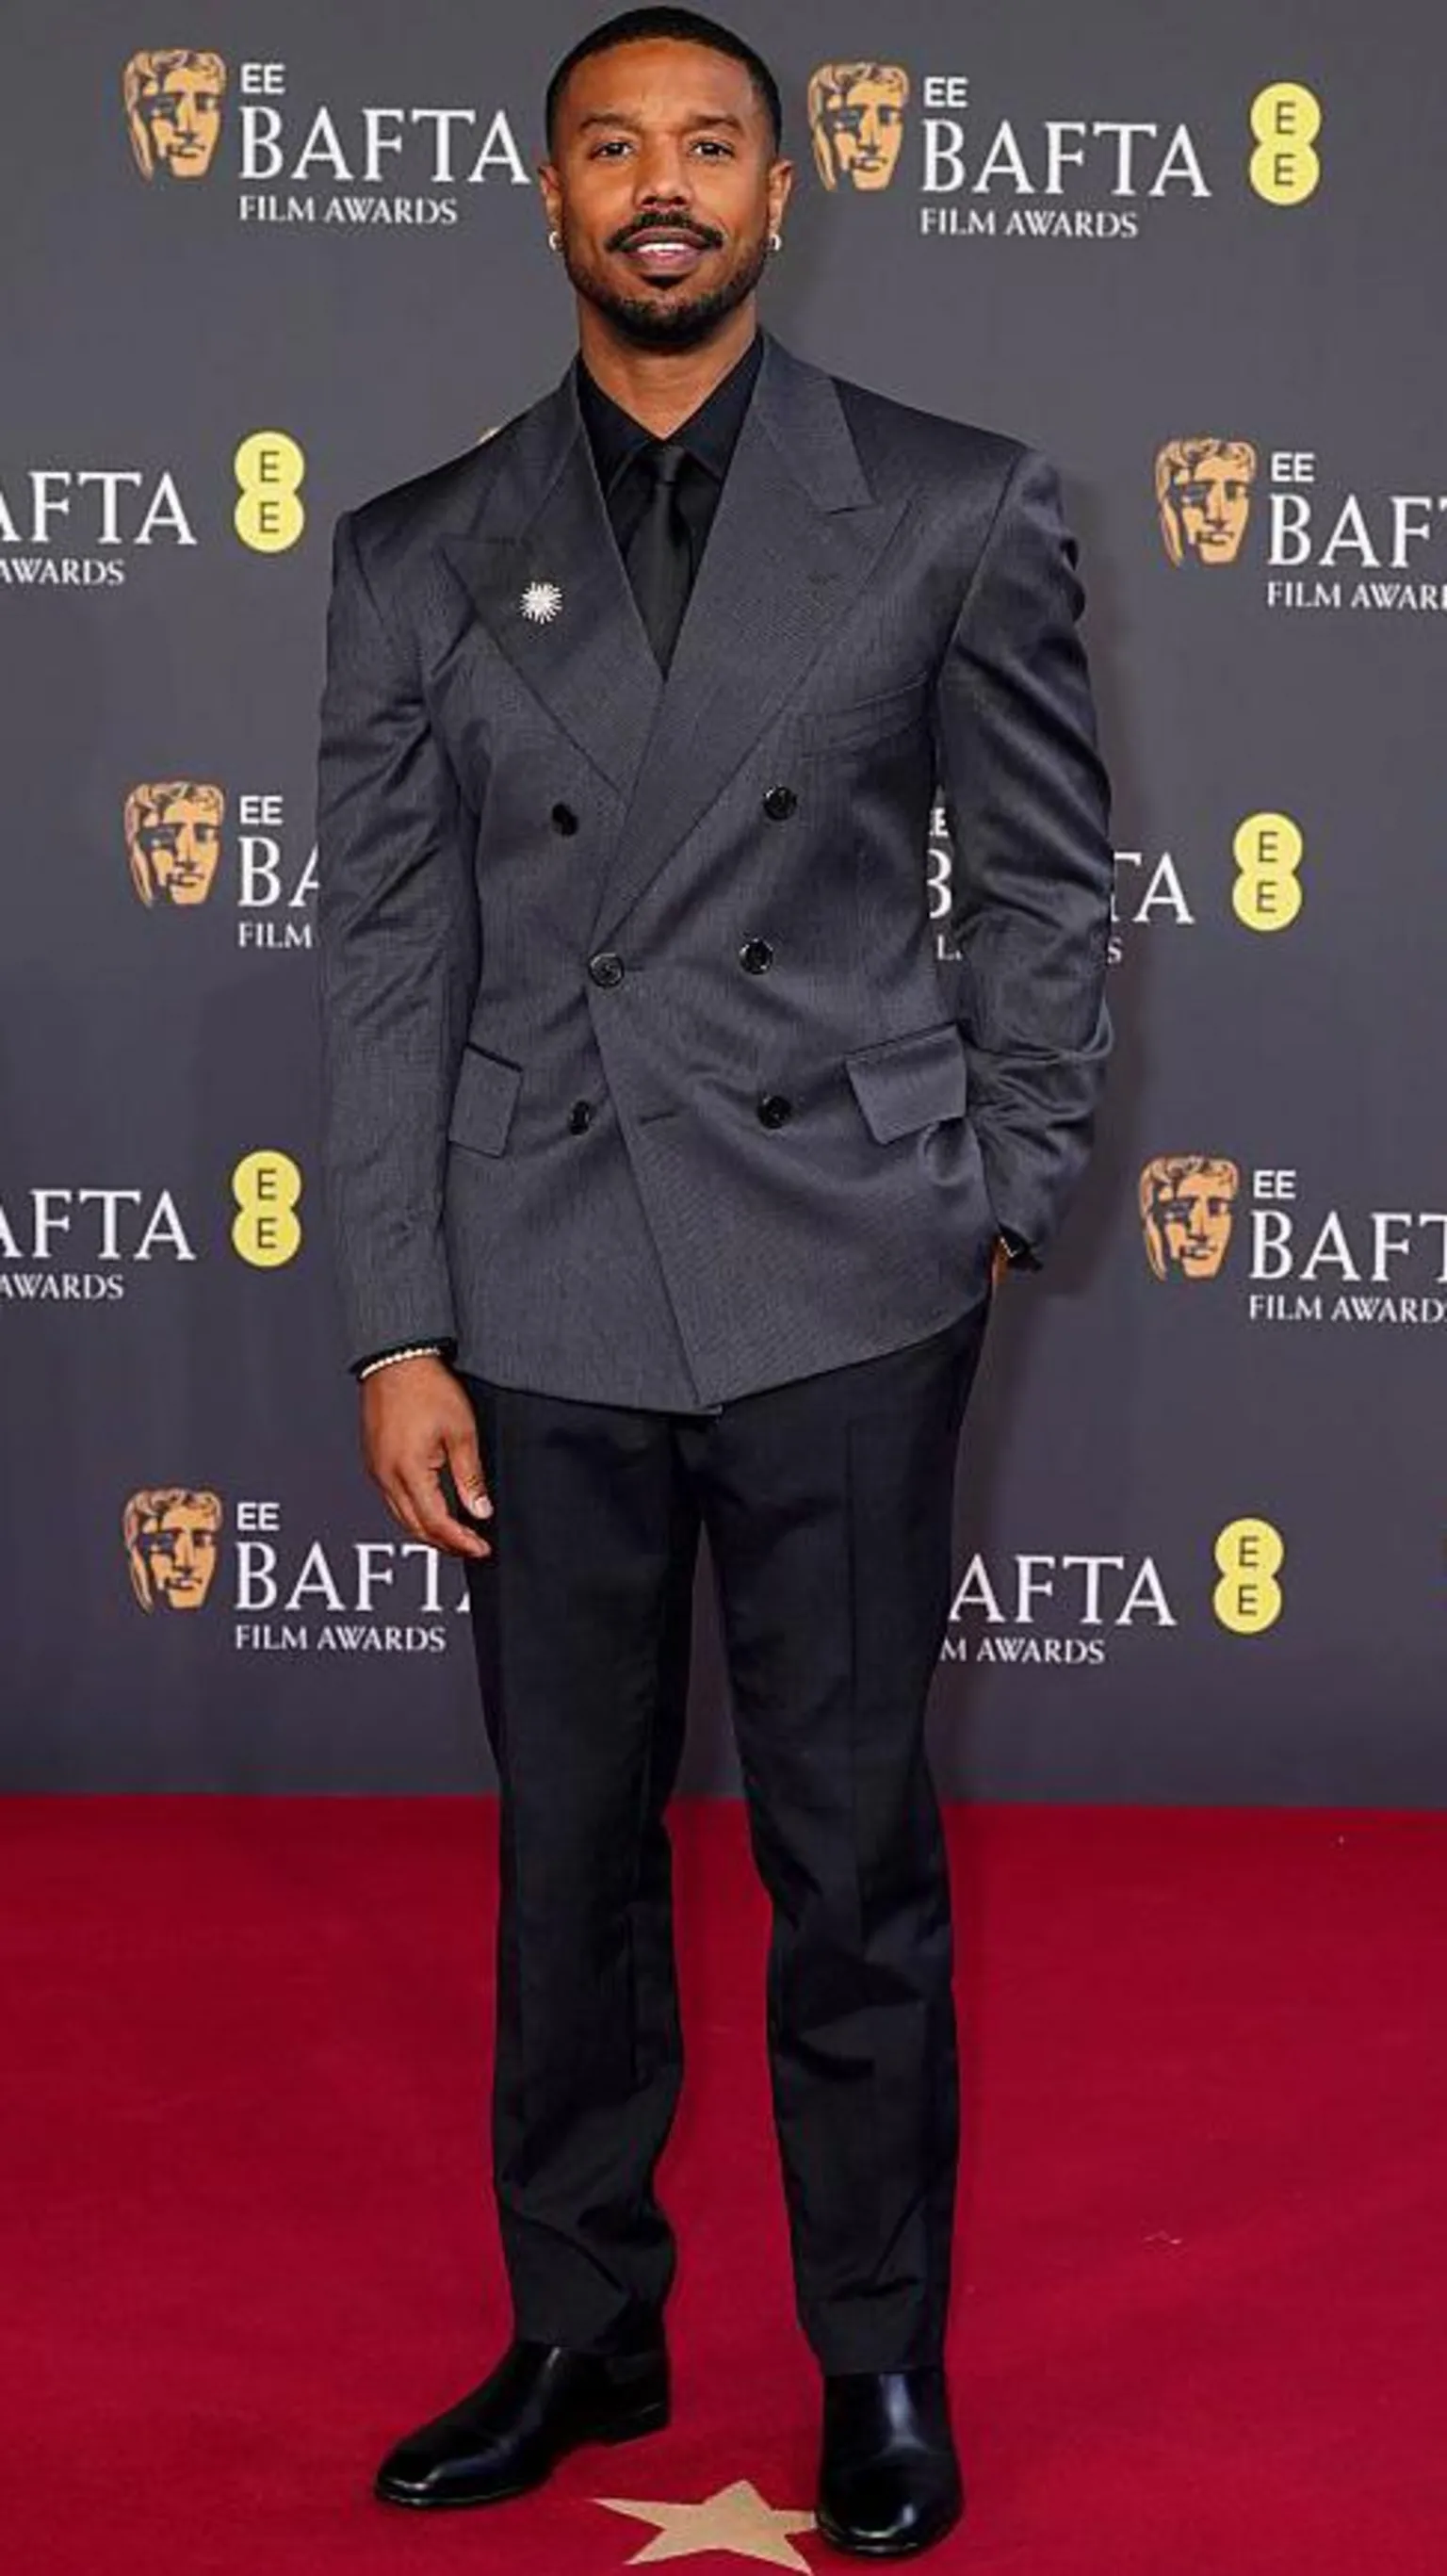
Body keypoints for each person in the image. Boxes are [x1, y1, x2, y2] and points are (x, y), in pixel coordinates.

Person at [314, 7, 1114, 2556]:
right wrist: (391, 1313)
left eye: (707, 147)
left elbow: (1054, 884)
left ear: (785, 190)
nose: (661, 188)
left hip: (841, 1286)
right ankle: (584, 2316)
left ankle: (879, 2351)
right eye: (610, 148)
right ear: (544, 197)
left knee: (849, 1852)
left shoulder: (957, 509)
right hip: (537, 1284)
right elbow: (383, 960)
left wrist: (993, 1182)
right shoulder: (413, 549)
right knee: (567, 1851)